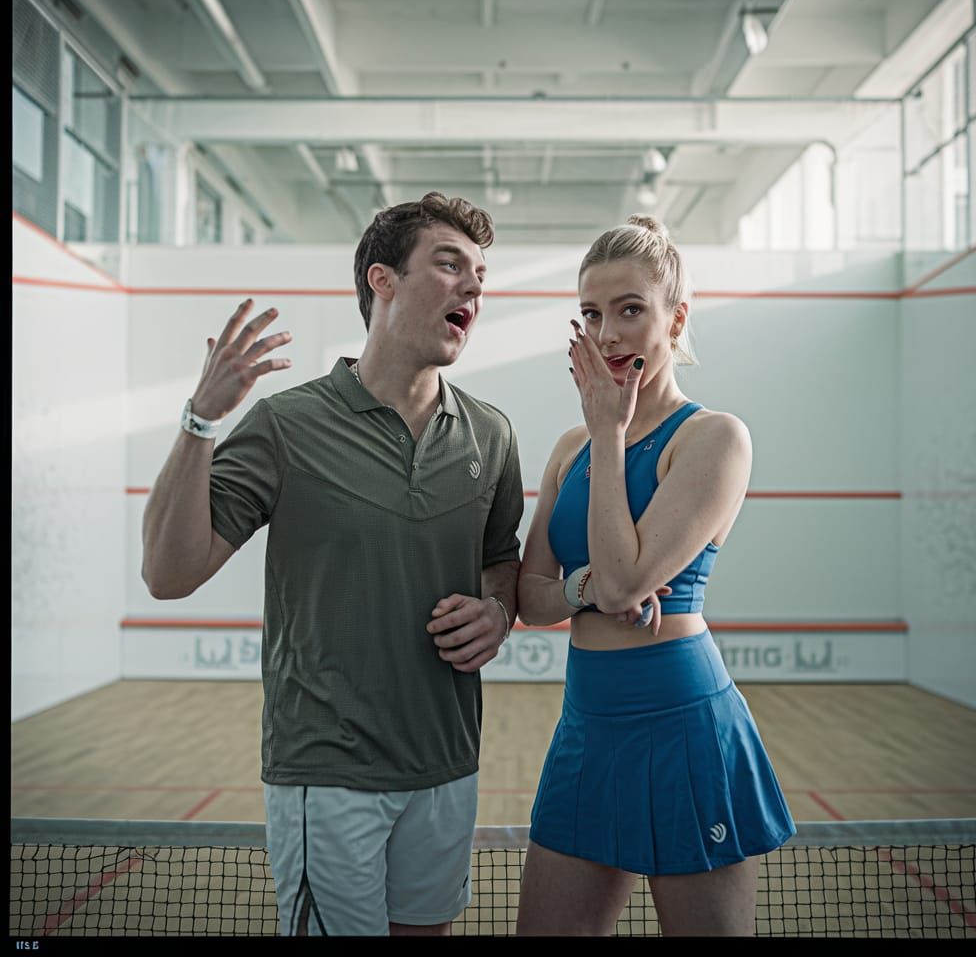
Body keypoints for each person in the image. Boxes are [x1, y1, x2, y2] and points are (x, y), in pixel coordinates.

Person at [141, 192, 524, 936]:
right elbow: (168, 571)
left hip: (448, 763)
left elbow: (500, 562)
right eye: (450, 265)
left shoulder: (491, 433)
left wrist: (497, 612)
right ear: (382, 281)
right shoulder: (288, 425)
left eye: (481, 272)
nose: (474, 285)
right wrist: (200, 420)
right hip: (329, 772)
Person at [515, 215, 794, 936]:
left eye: (630, 309)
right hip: (588, 726)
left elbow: (621, 586)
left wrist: (611, 434)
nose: (607, 333)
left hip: (685, 729)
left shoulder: (714, 439)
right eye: (591, 313)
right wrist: (585, 590)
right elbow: (533, 595)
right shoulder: (569, 447)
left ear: (677, 319)